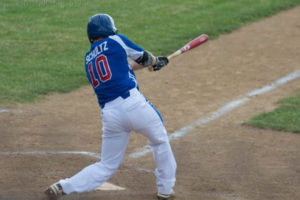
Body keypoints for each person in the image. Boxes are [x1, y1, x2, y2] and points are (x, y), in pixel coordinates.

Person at [45, 13, 177, 200]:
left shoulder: (88, 58)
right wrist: (156, 62)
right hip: (134, 105)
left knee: (106, 165)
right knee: (160, 141)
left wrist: (151, 63)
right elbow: (144, 57)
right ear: (109, 29)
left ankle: (63, 186)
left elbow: (125, 67)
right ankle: (165, 190)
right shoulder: (116, 40)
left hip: (111, 115)